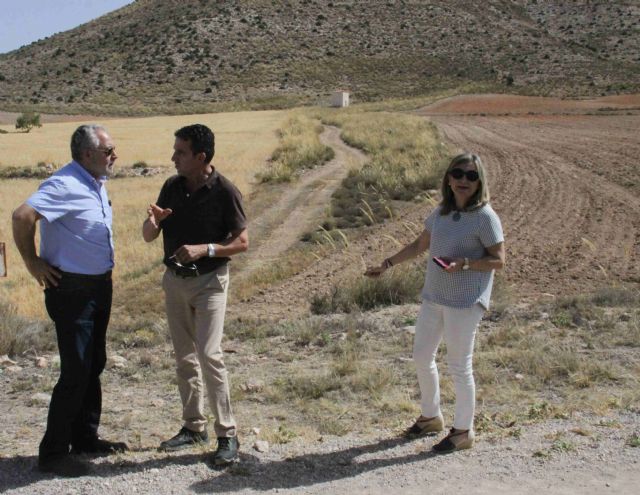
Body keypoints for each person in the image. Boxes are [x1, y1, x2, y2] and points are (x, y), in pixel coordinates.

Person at [365, 152, 505, 453]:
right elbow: (420, 244)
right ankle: (431, 417)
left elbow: (499, 260)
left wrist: (464, 263)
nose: (463, 181)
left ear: (479, 180)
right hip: (435, 297)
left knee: (459, 366)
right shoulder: (442, 211)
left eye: (471, 175)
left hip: (465, 302)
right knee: (421, 357)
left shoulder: (485, 217)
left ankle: (463, 431)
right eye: (458, 173)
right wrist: (387, 264)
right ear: (449, 178)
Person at [12, 124, 128, 478]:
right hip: (73, 291)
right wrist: (32, 262)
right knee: (76, 369)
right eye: (109, 150)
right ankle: (52, 453)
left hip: (97, 288)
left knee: (93, 363)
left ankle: (85, 438)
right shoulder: (65, 184)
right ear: (88, 154)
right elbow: (21, 216)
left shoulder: (95, 182)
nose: (114, 155)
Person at [142, 124, 248, 466]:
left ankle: (227, 434)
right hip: (175, 280)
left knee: (209, 354)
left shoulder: (224, 191)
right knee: (184, 357)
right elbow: (147, 235)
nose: (173, 157)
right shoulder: (172, 186)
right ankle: (193, 426)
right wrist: (154, 223)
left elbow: (242, 242)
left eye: (180, 152)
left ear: (201, 157)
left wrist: (207, 249)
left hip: (210, 282)